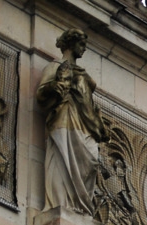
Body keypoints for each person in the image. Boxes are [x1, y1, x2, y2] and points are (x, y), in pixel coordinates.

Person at [36, 29, 108, 213]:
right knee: (62, 160)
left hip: (85, 124)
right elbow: (42, 93)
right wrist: (56, 86)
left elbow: (88, 103)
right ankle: (61, 204)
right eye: (81, 44)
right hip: (64, 120)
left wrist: (98, 124)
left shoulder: (81, 73)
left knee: (91, 160)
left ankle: (79, 207)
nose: (84, 49)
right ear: (71, 44)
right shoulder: (56, 67)